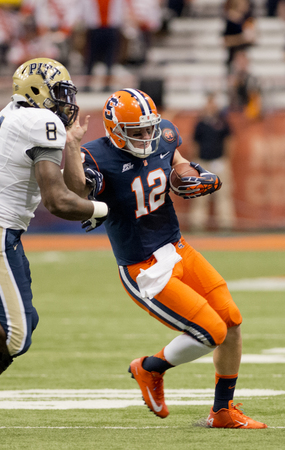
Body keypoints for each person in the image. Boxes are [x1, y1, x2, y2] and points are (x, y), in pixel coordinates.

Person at [65, 88, 267, 429]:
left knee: (231, 320)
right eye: (138, 131)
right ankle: (149, 367)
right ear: (114, 130)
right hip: (142, 266)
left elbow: (178, 163)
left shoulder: (164, 134)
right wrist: (71, 149)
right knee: (211, 331)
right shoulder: (96, 156)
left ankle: (222, 410)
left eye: (150, 128)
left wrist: (194, 176)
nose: (147, 137)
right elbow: (77, 191)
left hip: (177, 246)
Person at [0, 57, 108, 436]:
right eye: (59, 93)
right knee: (16, 335)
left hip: (2, 229)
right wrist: (104, 209)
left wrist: (72, 144)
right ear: (37, 91)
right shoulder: (40, 121)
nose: (65, 101)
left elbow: (75, 188)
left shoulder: (20, 114)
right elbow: (59, 201)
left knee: (24, 326)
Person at [189, 92, 236, 231]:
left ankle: (226, 223)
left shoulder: (222, 121)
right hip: (203, 162)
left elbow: (230, 140)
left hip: (219, 161)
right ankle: (197, 223)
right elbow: (195, 143)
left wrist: (226, 158)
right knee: (200, 195)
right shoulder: (200, 123)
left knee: (224, 194)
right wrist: (195, 162)